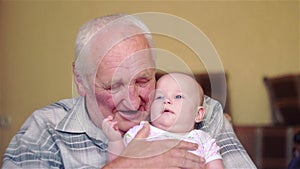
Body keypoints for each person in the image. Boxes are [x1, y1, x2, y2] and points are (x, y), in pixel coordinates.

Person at [2, 14, 256, 169]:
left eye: (144, 80)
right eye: (113, 86)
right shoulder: (45, 128)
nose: (134, 103)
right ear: (79, 80)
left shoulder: (204, 114)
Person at [103, 72, 224, 169]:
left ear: (198, 114)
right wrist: (115, 140)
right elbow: (117, 163)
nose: (166, 101)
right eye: (159, 97)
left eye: (178, 96)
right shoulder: (141, 132)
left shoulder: (203, 140)